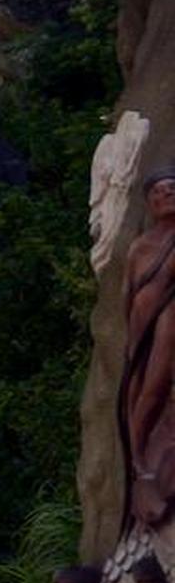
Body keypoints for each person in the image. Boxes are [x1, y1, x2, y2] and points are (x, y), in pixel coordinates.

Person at [121, 168, 175, 527]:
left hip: (172, 321)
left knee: (159, 389)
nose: (167, 195)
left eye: (173, 189)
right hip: (144, 330)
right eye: (159, 191)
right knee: (144, 392)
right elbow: (128, 295)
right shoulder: (139, 247)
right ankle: (140, 463)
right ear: (149, 202)